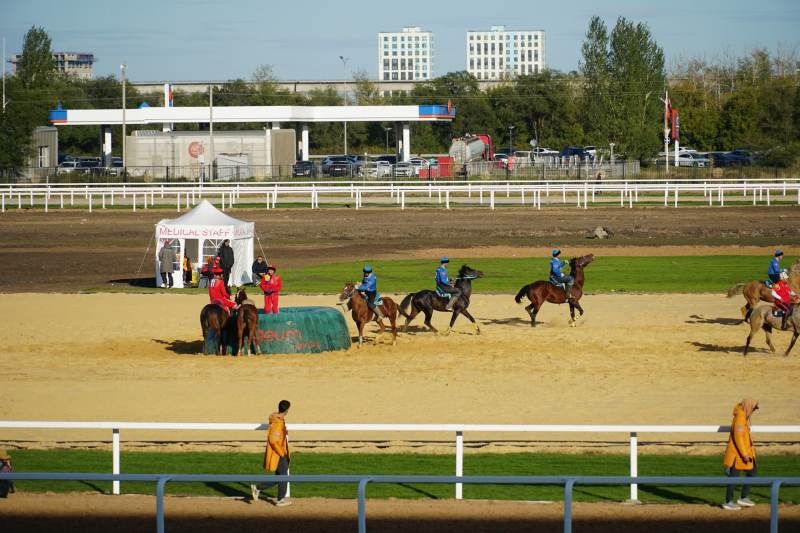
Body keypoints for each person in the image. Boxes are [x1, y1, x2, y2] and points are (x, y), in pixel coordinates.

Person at [252, 400, 292, 506]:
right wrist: (282, 453)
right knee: (283, 476)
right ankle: (280, 499)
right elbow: (274, 440)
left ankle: (257, 488)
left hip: (279, 452)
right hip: (279, 454)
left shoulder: (277, 419)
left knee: (279, 476)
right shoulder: (277, 423)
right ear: (287, 410)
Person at [723, 398, 759, 510]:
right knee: (734, 478)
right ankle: (728, 502)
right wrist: (745, 454)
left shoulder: (744, 417)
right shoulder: (739, 418)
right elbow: (739, 438)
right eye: (753, 408)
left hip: (743, 454)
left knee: (752, 472)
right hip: (737, 455)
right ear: (748, 407)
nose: (753, 411)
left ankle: (743, 497)